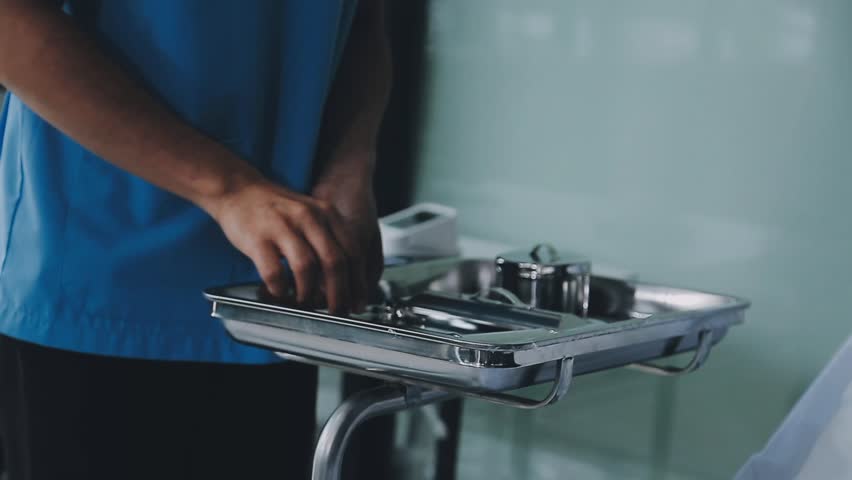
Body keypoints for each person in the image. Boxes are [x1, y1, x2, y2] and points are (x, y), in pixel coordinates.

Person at [0, 0, 390, 478]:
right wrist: (227, 188)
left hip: (274, 300)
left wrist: (348, 168)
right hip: (103, 294)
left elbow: (364, 20)